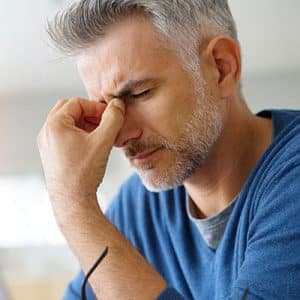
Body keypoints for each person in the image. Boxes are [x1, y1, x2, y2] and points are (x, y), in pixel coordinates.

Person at [37, 0, 300, 299]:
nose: (118, 136)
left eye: (139, 93)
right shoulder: (137, 208)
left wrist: (73, 206)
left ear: (222, 68)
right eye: (104, 108)